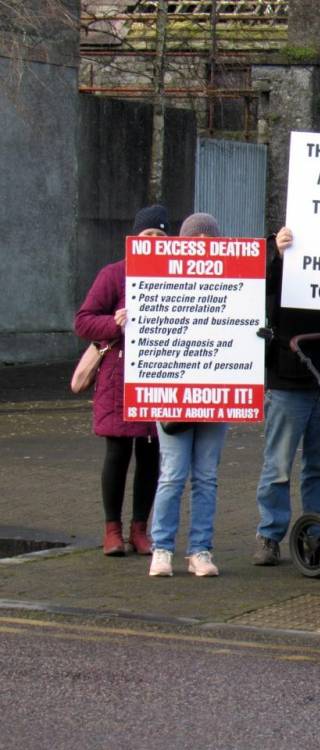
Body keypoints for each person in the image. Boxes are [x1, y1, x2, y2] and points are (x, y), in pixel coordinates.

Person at [252, 226, 320, 566]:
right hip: (288, 377)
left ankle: (316, 532)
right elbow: (256, 293)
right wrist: (279, 257)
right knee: (278, 465)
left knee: (319, 464)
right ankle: (270, 535)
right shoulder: (275, 250)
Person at [74, 205, 167, 557]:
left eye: (161, 236)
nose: (154, 242)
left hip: (159, 377)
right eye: (148, 236)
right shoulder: (114, 275)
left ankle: (140, 528)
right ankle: (112, 529)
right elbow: (83, 322)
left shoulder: (176, 277)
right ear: (134, 240)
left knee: (151, 455)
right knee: (117, 454)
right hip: (119, 379)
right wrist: (116, 324)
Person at [148, 213, 229, 577]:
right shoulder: (159, 276)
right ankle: (161, 548)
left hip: (216, 393)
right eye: (195, 240)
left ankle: (200, 550)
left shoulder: (231, 279)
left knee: (207, 476)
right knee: (173, 474)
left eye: (208, 240)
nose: (202, 246)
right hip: (173, 393)